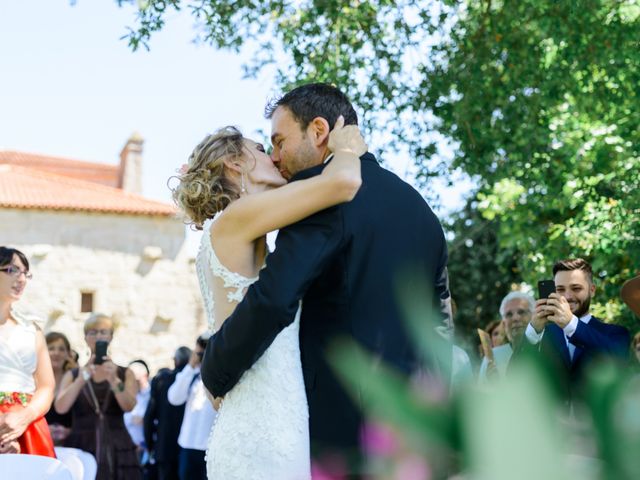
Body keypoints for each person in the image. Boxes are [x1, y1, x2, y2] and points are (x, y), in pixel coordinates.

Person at [198, 83, 451, 474]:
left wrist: (215, 370)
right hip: (410, 430)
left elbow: (275, 298)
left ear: (319, 132)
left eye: (279, 141)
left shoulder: (322, 202)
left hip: (339, 429)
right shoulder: (421, 210)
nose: (277, 156)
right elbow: (439, 322)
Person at [171, 102, 367, 479]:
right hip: (263, 429)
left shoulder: (241, 230)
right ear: (235, 163)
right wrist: (345, 148)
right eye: (261, 149)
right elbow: (343, 183)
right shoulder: (234, 219)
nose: (275, 157)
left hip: (276, 416)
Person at [522, 258, 630, 401]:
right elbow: (516, 374)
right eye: (560, 289)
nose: (567, 296)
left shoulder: (615, 333)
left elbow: (618, 359)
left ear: (592, 290)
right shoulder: (542, 335)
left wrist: (570, 324)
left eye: (576, 288)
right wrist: (533, 330)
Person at [54, 313, 142, 479]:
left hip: (118, 446)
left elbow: (129, 406)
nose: (98, 336)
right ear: (86, 338)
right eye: (93, 332)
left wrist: (114, 380)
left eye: (103, 332)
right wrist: (81, 379)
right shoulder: (73, 375)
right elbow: (61, 407)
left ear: (111, 337)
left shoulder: (124, 373)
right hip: (82, 445)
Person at [0, 246, 56, 457]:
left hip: (28, 427)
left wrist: (24, 417)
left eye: (26, 273)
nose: (22, 279)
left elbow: (46, 386)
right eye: (12, 271)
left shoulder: (32, 329)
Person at [167, 335, 215, 480]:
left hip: (210, 447)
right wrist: (190, 366)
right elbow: (174, 398)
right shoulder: (191, 374)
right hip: (188, 445)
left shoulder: (221, 373)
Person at [144, 346, 191, 480]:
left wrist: (150, 445)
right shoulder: (196, 380)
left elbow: (149, 416)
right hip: (190, 448)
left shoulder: (162, 380)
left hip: (164, 446)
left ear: (175, 360)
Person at [478, 292, 535, 383]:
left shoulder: (548, 349)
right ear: (504, 324)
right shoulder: (493, 358)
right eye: (509, 314)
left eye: (521, 312)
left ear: (534, 316)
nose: (515, 318)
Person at [45, 331, 76, 445]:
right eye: (51, 348)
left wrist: (71, 431)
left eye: (62, 349)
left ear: (68, 353)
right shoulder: (32, 382)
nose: (56, 353)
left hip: (71, 445)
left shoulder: (75, 380)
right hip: (42, 444)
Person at [124, 359, 151, 465]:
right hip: (130, 447)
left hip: (147, 448)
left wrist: (144, 420)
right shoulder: (130, 395)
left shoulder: (152, 394)